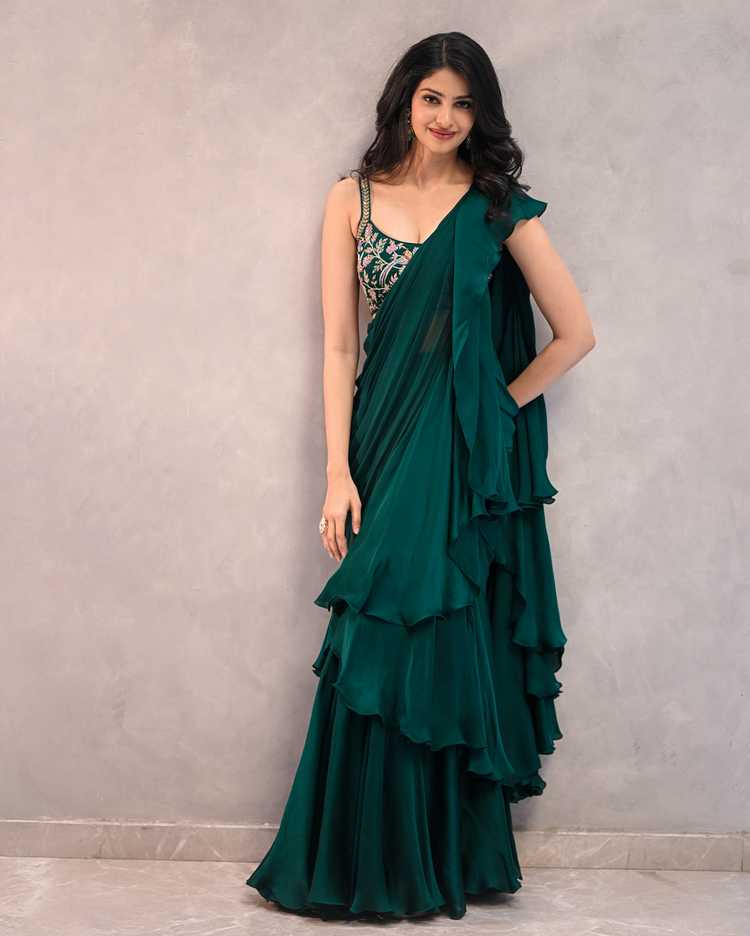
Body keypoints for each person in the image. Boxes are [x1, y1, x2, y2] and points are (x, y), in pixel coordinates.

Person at [246, 30, 596, 921]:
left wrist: (493, 409)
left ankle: (432, 858)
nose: (445, 117)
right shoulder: (352, 199)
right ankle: (361, 857)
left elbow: (576, 335)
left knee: (436, 632)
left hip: (457, 454)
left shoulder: (496, 207)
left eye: (464, 103)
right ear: (406, 98)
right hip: (380, 441)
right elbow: (340, 346)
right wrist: (336, 472)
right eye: (433, 97)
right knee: (380, 630)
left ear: (482, 115)